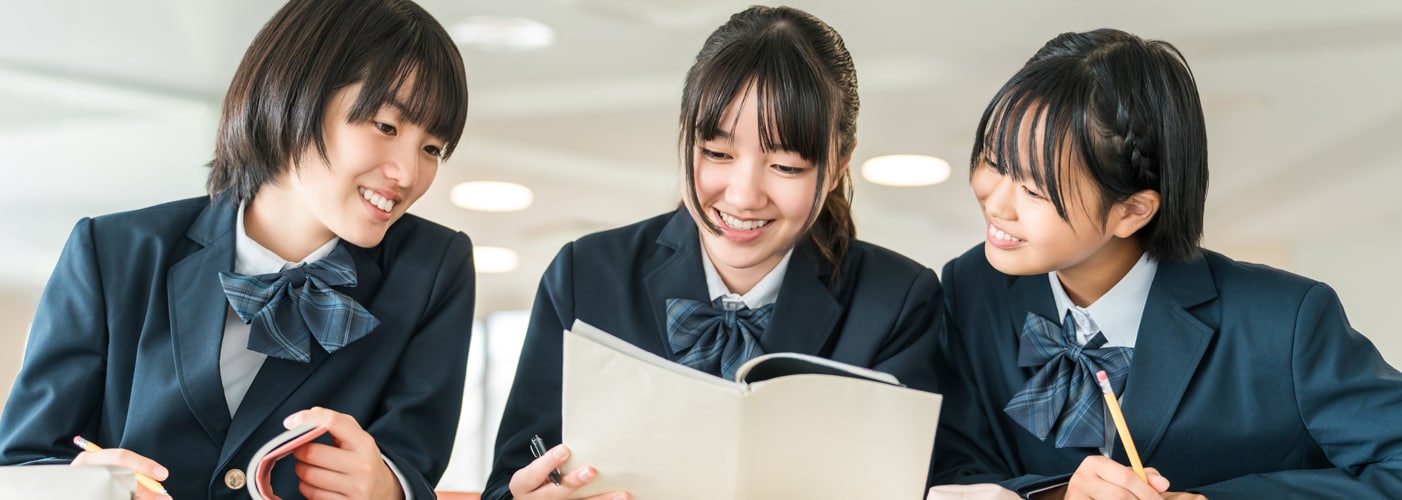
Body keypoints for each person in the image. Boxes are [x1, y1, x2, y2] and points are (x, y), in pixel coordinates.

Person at [931, 28, 1402, 499]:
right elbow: (947, 466)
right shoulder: (972, 290)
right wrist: (1053, 494)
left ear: (1132, 211)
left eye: (1034, 188)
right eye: (993, 161)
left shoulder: (1282, 322)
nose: (995, 201)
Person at [0, 0, 474, 498]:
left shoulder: (435, 269)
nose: (408, 174)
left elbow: (415, 467)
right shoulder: (113, 251)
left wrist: (387, 487)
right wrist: (79, 487)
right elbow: (23, 461)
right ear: (298, 96)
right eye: (386, 126)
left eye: (431, 149)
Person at [483, 6, 943, 500]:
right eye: (718, 154)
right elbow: (514, 474)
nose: (744, 196)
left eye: (785, 165)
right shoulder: (585, 276)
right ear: (685, 136)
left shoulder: (898, 302)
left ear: (836, 166)